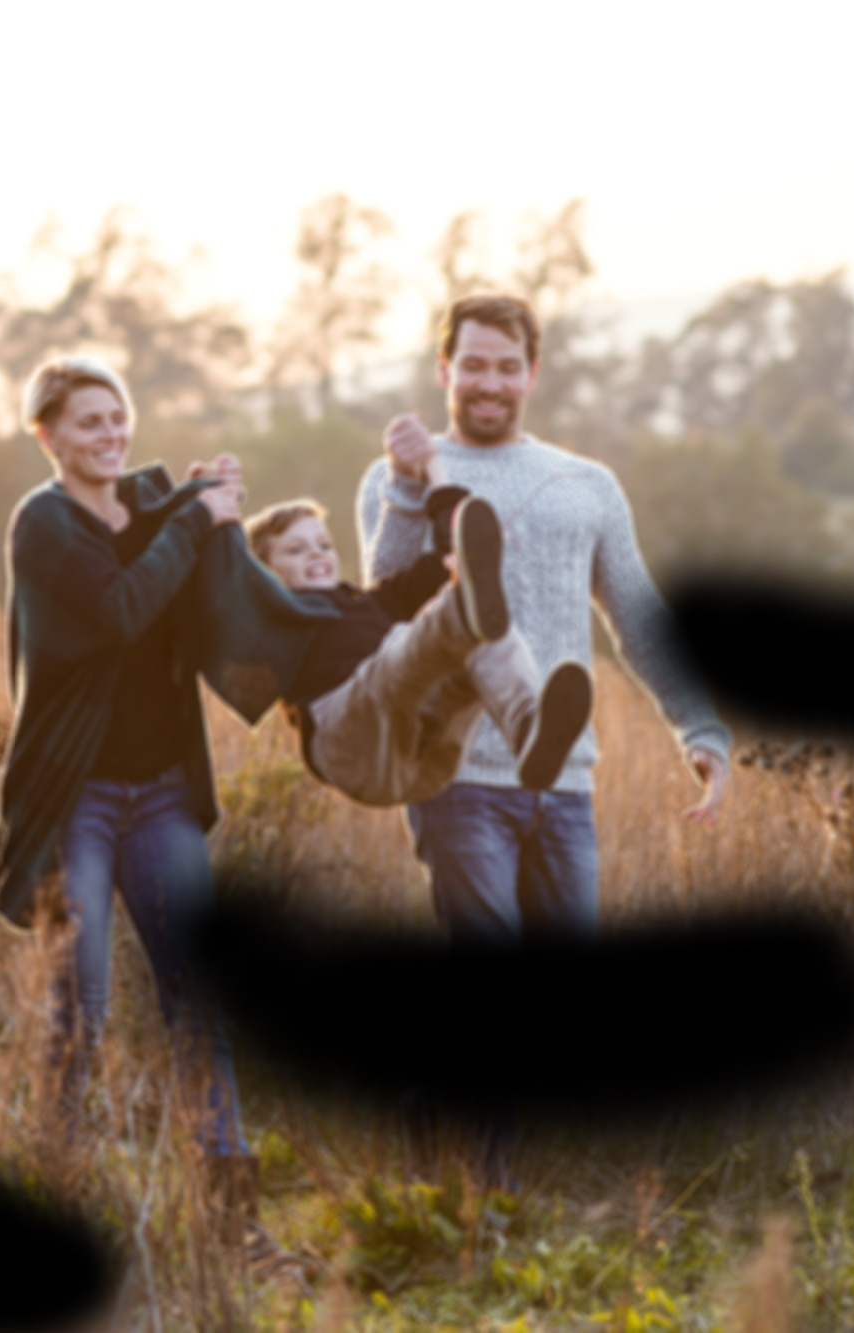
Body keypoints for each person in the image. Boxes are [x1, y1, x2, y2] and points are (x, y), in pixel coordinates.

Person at [357, 295, 732, 1186]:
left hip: (564, 779)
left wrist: (699, 724)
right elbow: (385, 604)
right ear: (444, 369)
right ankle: (487, 1198)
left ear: (532, 372)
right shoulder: (399, 473)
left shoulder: (585, 484)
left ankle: (427, 1111)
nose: (489, 381)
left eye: (506, 365)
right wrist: (411, 491)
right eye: (472, 364)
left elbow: (637, 614)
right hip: (454, 773)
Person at [0, 354, 261, 1229]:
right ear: (48, 435)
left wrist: (205, 507)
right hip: (80, 800)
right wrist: (193, 522)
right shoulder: (44, 525)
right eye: (86, 422)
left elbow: (194, 589)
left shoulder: (146, 511)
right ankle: (60, 1191)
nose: (108, 435)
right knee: (82, 1009)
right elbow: (120, 608)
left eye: (117, 418)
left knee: (200, 996)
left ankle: (231, 1213)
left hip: (163, 794)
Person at [242, 490, 594, 804]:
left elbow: (447, 557)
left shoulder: (375, 601)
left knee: (483, 625)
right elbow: (225, 604)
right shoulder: (274, 623)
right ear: (264, 573)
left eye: (323, 545)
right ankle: (458, 610)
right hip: (352, 749)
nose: (316, 554)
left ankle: (527, 726)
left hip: (425, 757)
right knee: (404, 644)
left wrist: (441, 491)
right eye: (295, 549)